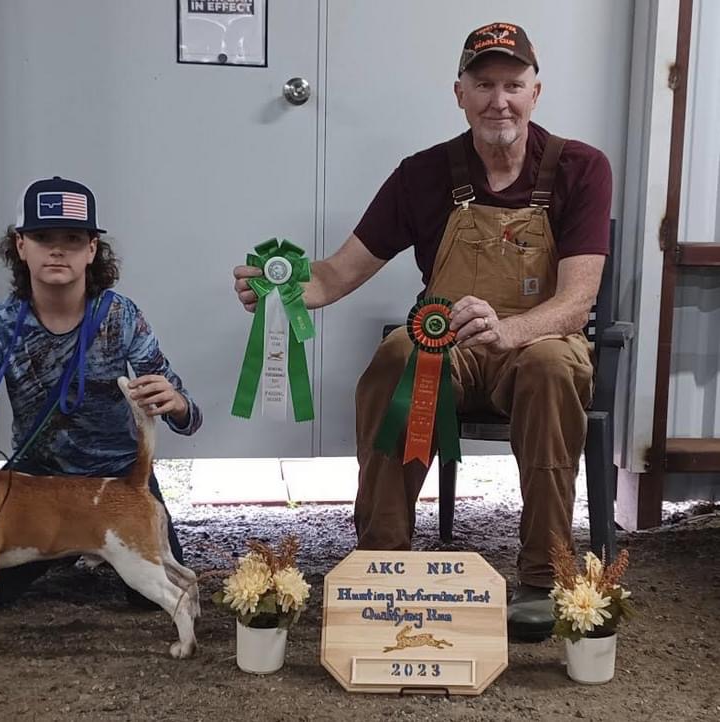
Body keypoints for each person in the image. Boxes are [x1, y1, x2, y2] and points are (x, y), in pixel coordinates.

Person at [233, 22, 611, 641]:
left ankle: (546, 575)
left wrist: (508, 331)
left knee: (552, 367)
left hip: (537, 340)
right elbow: (337, 273)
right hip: (447, 344)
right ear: (459, 93)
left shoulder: (581, 167)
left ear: (535, 92)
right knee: (399, 355)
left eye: (513, 85)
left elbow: (576, 303)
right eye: (483, 85)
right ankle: (382, 561)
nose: (498, 100)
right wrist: (284, 289)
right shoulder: (423, 174)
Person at [0, 176, 202, 606]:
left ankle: (84, 546)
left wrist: (177, 403)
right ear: (20, 246)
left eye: (73, 239)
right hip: (39, 484)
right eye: (43, 238)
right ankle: (68, 546)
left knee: (150, 601)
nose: (57, 250)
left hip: (119, 481)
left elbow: (189, 417)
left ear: (92, 249)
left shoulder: (121, 315)